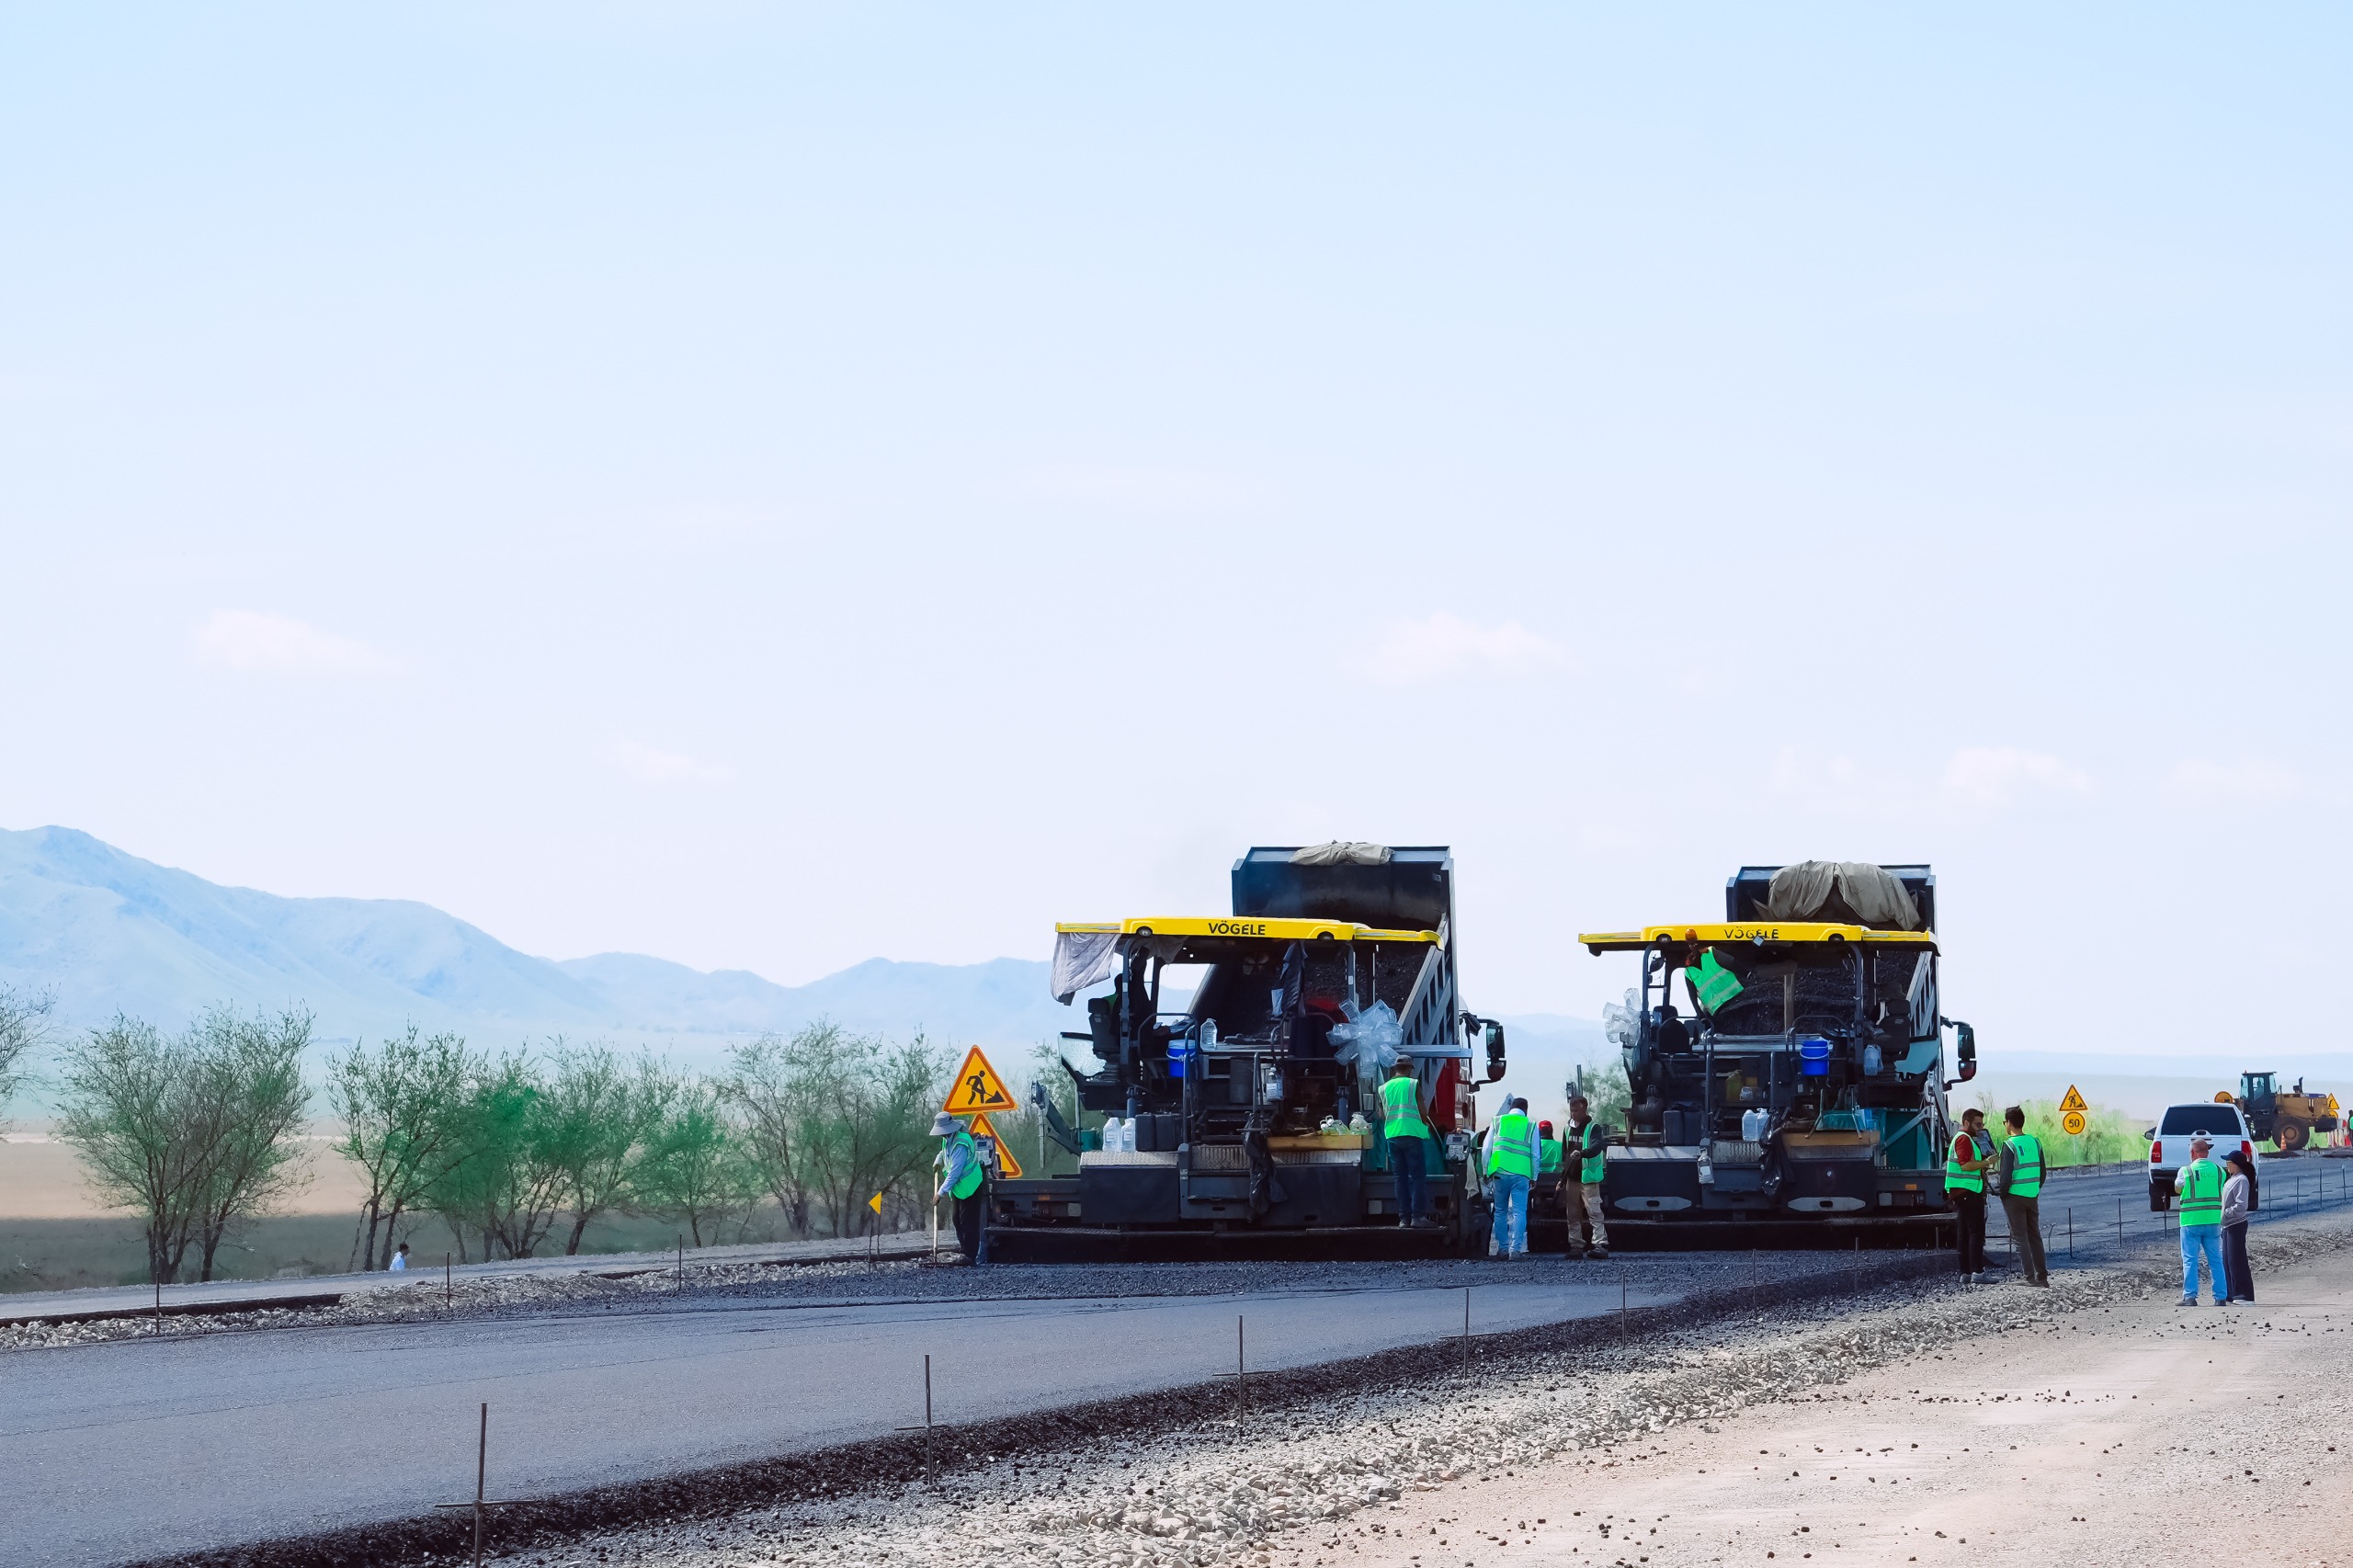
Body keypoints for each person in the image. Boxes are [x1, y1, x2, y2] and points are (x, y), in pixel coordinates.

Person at [1994, 1107, 2048, 1287]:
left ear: (2008, 1123)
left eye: (2005, 1122)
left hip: (2014, 1197)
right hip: (2032, 1195)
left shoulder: (2009, 1145)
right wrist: (2034, 1188)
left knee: (2020, 1238)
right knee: (2035, 1235)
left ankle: (2029, 1278)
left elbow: (2006, 1176)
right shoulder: (2035, 1142)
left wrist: (2001, 1192)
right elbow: (2043, 1172)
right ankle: (2042, 1277)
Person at [1380, 1062, 1434, 1228]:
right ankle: (1418, 1217)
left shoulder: (1383, 1088)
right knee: (1417, 1177)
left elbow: (1381, 1115)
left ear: (1395, 1068)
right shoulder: (1412, 1084)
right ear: (1410, 1068)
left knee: (1399, 1178)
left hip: (1392, 1136)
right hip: (1411, 1135)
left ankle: (1404, 1219)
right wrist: (1426, 1124)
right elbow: (1423, 1111)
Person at [2175, 1134, 2227, 1306]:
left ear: (2193, 1152)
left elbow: (2177, 1188)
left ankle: (2190, 1297)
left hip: (2190, 1221)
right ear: (2207, 1152)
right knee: (2216, 1260)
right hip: (2213, 1220)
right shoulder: (2220, 1171)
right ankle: (2220, 1298)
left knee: (2190, 1259)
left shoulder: (2185, 1171)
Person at [1483, 1096, 1539, 1259]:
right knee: (1519, 1211)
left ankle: (1502, 1249)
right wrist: (1534, 1176)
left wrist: (1486, 1171)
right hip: (1521, 1175)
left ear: (1510, 1108)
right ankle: (1515, 1250)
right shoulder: (1531, 1125)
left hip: (1500, 1173)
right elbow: (1535, 1155)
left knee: (1500, 1211)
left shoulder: (1498, 1121)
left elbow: (1486, 1148)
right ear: (1525, 1110)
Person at [934, 1111, 987, 1262]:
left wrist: (940, 1193)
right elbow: (944, 1151)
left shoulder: (961, 1143)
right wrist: (938, 1160)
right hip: (959, 1188)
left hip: (971, 1185)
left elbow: (955, 1172)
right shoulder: (948, 1138)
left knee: (968, 1221)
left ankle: (970, 1256)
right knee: (957, 1219)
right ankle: (964, 1250)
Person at [1562, 1093, 1609, 1260]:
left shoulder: (1593, 1127)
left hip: (1588, 1178)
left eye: (1576, 1110)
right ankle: (1576, 1245)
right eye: (1571, 1110)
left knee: (1594, 1212)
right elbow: (1565, 1154)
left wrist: (1582, 1153)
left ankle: (1600, 1244)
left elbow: (1597, 1146)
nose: (1573, 1114)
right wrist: (1563, 1178)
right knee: (1573, 1214)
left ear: (1584, 1109)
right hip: (1572, 1178)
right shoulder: (1567, 1128)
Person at [1946, 1108, 1989, 1282]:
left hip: (1960, 1191)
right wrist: (1986, 1162)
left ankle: (1965, 1273)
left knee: (1964, 1233)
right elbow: (1965, 1165)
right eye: (1977, 1124)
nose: (1980, 1128)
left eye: (1982, 1124)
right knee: (1975, 1233)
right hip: (1968, 1191)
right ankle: (1977, 1272)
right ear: (1966, 1123)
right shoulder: (1964, 1139)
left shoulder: (1962, 1138)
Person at [2219, 1150, 2254, 1304]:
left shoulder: (2241, 1180)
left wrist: (2225, 1214)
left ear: (2236, 1165)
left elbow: (2241, 1205)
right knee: (2227, 1260)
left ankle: (2244, 1294)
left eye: (2229, 1163)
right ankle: (2231, 1292)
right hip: (2227, 1225)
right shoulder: (2233, 1178)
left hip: (2236, 1223)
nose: (2227, 1166)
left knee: (2236, 1259)